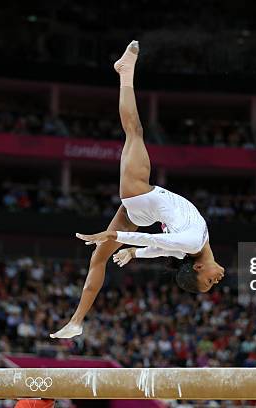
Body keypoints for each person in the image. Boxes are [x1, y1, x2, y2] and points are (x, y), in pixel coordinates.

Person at [50, 41, 225, 339]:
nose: (216, 281)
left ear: (198, 270)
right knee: (98, 259)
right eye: (212, 285)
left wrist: (119, 238)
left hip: (139, 194)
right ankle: (76, 322)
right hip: (139, 210)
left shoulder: (194, 243)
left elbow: (154, 241)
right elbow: (160, 247)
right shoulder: (191, 245)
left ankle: (125, 72)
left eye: (208, 283)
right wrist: (133, 253)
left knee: (135, 131)